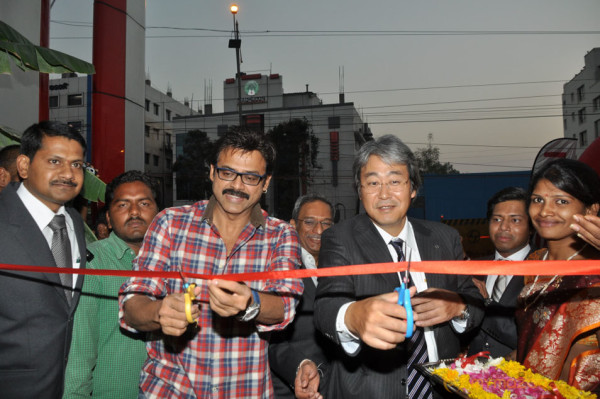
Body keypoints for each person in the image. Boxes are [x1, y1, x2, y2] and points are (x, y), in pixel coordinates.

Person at [119, 129, 303, 398]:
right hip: (170, 389)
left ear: (266, 183)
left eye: (250, 177)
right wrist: (159, 311)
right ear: (212, 172)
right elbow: (132, 303)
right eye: (227, 173)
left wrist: (251, 303)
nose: (237, 186)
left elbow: (285, 307)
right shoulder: (170, 223)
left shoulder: (281, 235)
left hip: (245, 391)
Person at [313, 135, 484, 399]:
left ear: (413, 188)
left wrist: (458, 307)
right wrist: (353, 317)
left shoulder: (444, 238)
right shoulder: (339, 238)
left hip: (442, 389)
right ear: (360, 191)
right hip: (371, 390)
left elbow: (474, 300)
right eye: (372, 183)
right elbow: (326, 306)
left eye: (394, 181)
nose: (384, 194)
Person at [0, 121, 87, 398]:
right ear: (24, 166)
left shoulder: (72, 221)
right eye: (55, 161)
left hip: (66, 386)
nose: (68, 174)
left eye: (77, 165)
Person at [63, 171, 160, 398]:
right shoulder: (92, 265)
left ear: (160, 214)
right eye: (123, 205)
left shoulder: (175, 265)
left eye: (144, 203)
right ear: (107, 218)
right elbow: (79, 353)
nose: (134, 212)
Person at [516, 159, 600, 393]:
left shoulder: (595, 274)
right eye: (537, 200)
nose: (544, 211)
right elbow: (529, 343)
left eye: (561, 201)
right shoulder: (534, 262)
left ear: (591, 210)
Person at [269, 194, 334, 399]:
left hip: (339, 386)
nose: (319, 230)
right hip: (295, 388)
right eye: (309, 222)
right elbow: (271, 340)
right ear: (292, 225)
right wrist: (299, 369)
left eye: (326, 223)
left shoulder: (341, 265)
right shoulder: (279, 268)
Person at [467, 187, 532, 358]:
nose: (504, 227)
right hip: (468, 377)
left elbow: (532, 338)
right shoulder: (472, 269)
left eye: (515, 220)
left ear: (532, 226)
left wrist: (486, 303)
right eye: (497, 219)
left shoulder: (543, 271)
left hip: (521, 379)